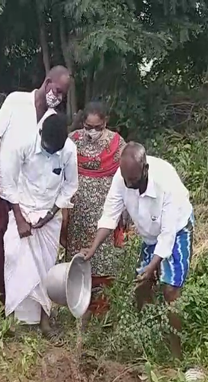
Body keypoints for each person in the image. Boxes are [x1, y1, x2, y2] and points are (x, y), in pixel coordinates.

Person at [81, 142, 195, 363]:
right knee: (142, 287)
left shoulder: (166, 181)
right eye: (126, 180)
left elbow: (168, 235)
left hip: (177, 229)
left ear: (145, 169)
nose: (129, 185)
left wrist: (153, 267)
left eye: (133, 180)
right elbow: (110, 215)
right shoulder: (121, 178)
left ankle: (176, 356)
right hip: (149, 234)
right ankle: (148, 342)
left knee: (171, 290)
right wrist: (93, 247)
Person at [0, 66, 72, 299]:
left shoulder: (51, 120)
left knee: (20, 251)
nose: (57, 98)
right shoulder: (16, 102)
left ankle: (19, 300)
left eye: (62, 96)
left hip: (27, 198)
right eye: (57, 91)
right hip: (1, 189)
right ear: (47, 81)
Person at [1, 113, 78, 337]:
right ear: (40, 133)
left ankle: (45, 322)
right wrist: (20, 218)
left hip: (49, 218)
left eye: (55, 150)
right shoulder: (23, 142)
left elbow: (70, 186)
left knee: (47, 270)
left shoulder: (68, 151)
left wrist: (52, 213)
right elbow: (8, 182)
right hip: (22, 211)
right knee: (15, 264)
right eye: (47, 147)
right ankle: (13, 323)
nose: (51, 152)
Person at [63, 101, 127, 316]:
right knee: (78, 256)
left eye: (97, 127)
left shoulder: (117, 144)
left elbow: (127, 178)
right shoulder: (72, 142)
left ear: (105, 122)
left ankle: (104, 310)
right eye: (88, 127)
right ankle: (78, 304)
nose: (92, 132)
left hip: (105, 210)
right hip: (78, 211)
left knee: (104, 256)